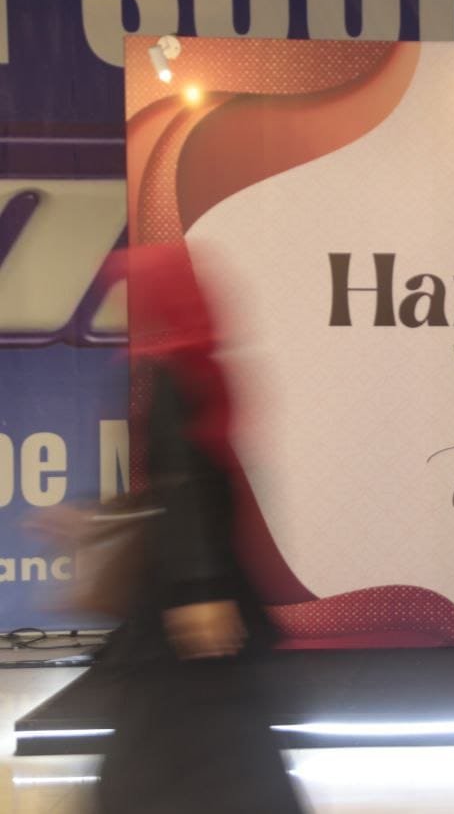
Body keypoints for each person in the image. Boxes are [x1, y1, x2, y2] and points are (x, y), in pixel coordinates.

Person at [94, 243, 306, 814]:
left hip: (190, 588)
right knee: (210, 720)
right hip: (200, 578)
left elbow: (185, 481)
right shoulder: (199, 365)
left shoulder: (169, 373)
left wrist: (198, 589)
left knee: (179, 721)